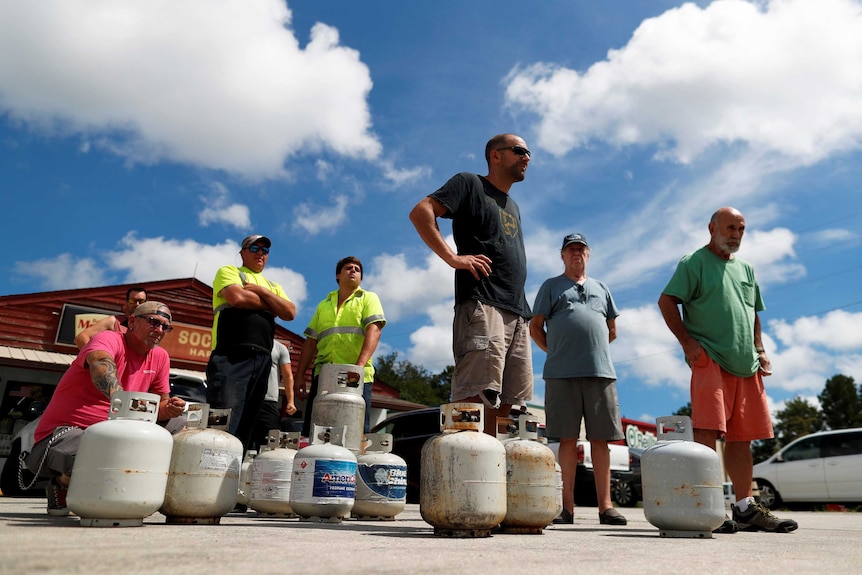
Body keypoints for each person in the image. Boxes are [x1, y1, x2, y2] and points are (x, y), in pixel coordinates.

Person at [658, 207, 798, 534]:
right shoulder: (693, 262)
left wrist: (760, 349)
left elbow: (753, 313)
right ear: (712, 228)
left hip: (746, 363)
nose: (735, 234)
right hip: (711, 359)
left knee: (743, 437)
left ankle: (746, 507)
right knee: (708, 432)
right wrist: (689, 344)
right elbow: (666, 301)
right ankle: (711, 509)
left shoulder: (747, 269)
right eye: (730, 227)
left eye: (741, 229)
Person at [409, 133, 533, 435]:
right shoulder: (469, 183)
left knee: (510, 407)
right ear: (495, 155)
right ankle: (462, 473)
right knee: (473, 396)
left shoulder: (513, 206)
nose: (526, 158)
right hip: (482, 303)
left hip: (517, 313)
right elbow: (421, 212)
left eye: (529, 153)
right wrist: (453, 258)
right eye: (519, 151)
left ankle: (490, 475)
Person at [25, 301, 186, 516]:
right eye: (153, 322)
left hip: (122, 433)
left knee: (181, 425)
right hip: (65, 435)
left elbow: (161, 405)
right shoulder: (109, 338)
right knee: (103, 448)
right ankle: (61, 482)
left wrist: (172, 408)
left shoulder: (160, 357)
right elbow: (100, 363)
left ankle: (168, 498)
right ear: (132, 321)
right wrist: (121, 401)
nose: (159, 330)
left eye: (165, 327)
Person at [530, 233, 627, 526]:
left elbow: (612, 330)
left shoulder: (602, 288)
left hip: (601, 372)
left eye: (581, 250)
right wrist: (559, 350)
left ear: (589, 254)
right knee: (567, 440)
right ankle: (566, 508)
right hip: (561, 374)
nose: (576, 254)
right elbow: (536, 327)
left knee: (601, 439)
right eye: (571, 250)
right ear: (562, 256)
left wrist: (590, 351)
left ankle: (606, 507)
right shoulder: (551, 286)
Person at [206, 234, 296, 451]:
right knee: (225, 420)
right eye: (255, 248)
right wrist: (272, 304)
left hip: (263, 360)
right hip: (232, 356)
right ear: (242, 252)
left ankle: (234, 473)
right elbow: (237, 298)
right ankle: (212, 471)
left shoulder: (272, 284)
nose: (260, 254)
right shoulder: (229, 271)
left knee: (247, 424)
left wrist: (262, 291)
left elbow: (290, 312)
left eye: (265, 251)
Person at [296, 256, 385, 437]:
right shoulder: (323, 305)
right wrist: (299, 377)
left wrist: (358, 369)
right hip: (323, 376)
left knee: (354, 432)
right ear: (338, 275)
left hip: (357, 376)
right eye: (348, 268)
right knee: (316, 431)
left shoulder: (368, 298)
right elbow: (310, 342)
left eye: (357, 269)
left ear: (360, 278)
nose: (353, 270)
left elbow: (374, 331)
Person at [251, 340, 296, 451]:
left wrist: (291, 401)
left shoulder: (280, 348)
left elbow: (287, 375)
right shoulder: (247, 341)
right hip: (247, 400)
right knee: (242, 439)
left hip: (268, 402)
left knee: (268, 444)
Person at [74, 286, 148, 349]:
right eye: (133, 300)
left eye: (141, 301)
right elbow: (81, 337)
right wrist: (94, 358)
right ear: (126, 303)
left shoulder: (151, 326)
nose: (137, 304)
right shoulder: (114, 321)